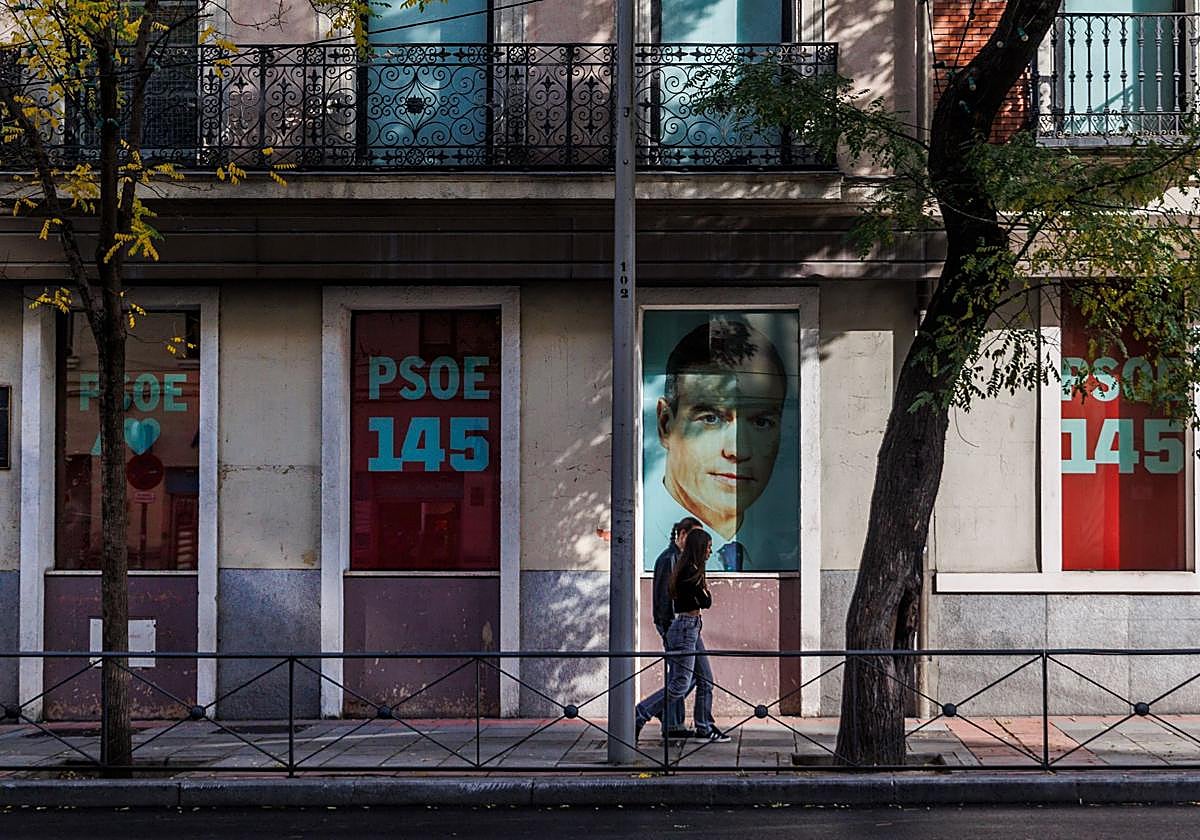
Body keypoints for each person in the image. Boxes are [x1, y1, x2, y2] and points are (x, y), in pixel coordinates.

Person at [648, 317, 789, 571]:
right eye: (711, 419)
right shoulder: (644, 547)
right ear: (665, 424)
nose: (737, 451)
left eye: (761, 422)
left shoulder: (778, 550)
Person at [634, 516, 701, 740]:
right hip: (676, 625)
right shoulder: (670, 559)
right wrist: (668, 628)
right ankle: (646, 711)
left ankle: (671, 722)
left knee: (692, 676)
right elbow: (665, 598)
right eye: (693, 537)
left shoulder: (682, 558)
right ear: (681, 535)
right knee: (684, 679)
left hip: (687, 626)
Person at [664, 528, 730, 743]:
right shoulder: (689, 573)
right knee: (680, 684)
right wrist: (705, 590)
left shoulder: (689, 569)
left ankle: (704, 727)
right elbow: (705, 602)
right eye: (708, 547)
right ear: (700, 548)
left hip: (691, 627)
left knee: (706, 680)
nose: (711, 552)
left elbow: (704, 601)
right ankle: (642, 713)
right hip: (686, 628)